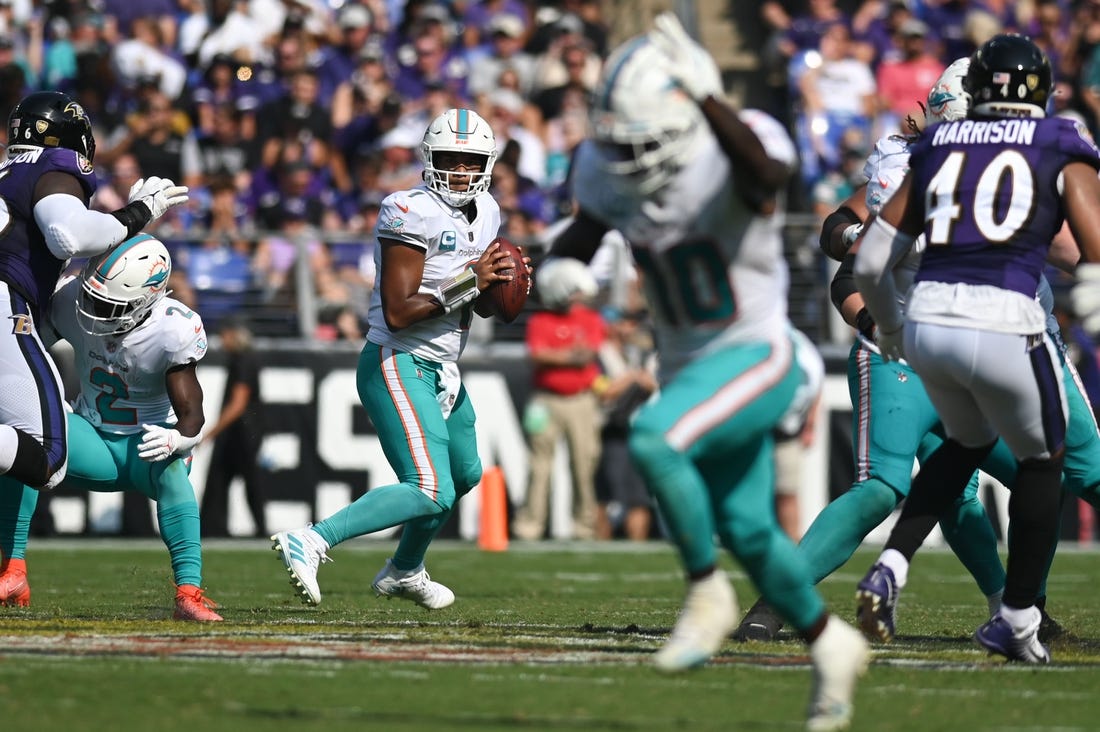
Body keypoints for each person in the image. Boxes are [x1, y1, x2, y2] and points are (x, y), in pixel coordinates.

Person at [544, 14, 868, 730]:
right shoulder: (607, 161)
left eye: (648, 141)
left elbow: (771, 175)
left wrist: (709, 99)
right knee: (750, 531)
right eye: (622, 144)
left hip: (758, 353)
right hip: (687, 365)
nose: (634, 161)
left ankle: (704, 592)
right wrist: (561, 265)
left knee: (655, 436)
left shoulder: (737, 146)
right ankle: (830, 643)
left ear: (694, 112)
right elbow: (585, 229)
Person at [740, 56, 1100, 644]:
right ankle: (783, 598)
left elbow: (1071, 249)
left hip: (983, 343)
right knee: (893, 484)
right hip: (921, 349)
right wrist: (879, 316)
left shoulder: (957, 162)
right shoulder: (911, 167)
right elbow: (849, 261)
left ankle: (1010, 607)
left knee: (1043, 474)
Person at [853, 34, 1100, 663]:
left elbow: (871, 259)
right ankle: (1018, 618)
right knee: (1045, 464)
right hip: (1008, 320)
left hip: (930, 323)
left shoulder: (934, 144)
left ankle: (890, 566)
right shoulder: (1057, 139)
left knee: (965, 446)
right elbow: (1089, 248)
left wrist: (888, 328)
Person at [271, 108, 529, 610]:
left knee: (464, 474)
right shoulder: (409, 209)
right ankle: (313, 539)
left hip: (443, 365)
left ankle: (405, 569)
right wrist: (473, 279)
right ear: (429, 159)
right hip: (399, 358)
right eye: (450, 159)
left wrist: (499, 287)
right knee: (429, 487)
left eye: (470, 161)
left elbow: (477, 301)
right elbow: (399, 310)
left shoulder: (489, 210)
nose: (459, 171)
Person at [0, 90, 187, 590]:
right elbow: (68, 235)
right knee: (46, 454)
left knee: (18, 444)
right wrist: (136, 214)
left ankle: (11, 572)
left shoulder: (8, 174)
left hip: (14, 309)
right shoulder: (53, 170)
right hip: (4, 303)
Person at [0, 234, 221, 621]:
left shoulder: (172, 330)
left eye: (108, 304)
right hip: (90, 437)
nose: (94, 310)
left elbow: (192, 412)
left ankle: (189, 594)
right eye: (92, 297)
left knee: (172, 475)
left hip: (147, 446)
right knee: (23, 439)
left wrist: (179, 440)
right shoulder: (73, 301)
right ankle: (12, 570)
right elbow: (27, 352)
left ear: (147, 300)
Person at [513, 257, 606, 541]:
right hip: (546, 399)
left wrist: (555, 356)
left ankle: (584, 528)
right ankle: (529, 527)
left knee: (583, 465)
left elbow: (587, 354)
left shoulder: (589, 319)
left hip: (581, 400)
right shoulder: (541, 320)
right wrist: (569, 356)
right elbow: (537, 356)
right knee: (538, 466)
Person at [200, 316, 266, 538]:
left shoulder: (243, 360)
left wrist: (211, 433)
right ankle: (215, 527)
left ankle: (257, 527)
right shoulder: (245, 358)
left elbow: (238, 404)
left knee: (242, 481)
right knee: (227, 480)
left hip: (241, 433)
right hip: (245, 431)